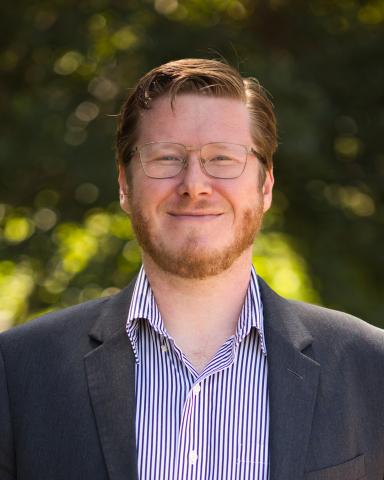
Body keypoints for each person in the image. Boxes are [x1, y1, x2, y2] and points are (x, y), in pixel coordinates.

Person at [0, 58, 383, 480]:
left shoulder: (370, 367)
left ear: (266, 185)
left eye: (223, 157)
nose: (195, 184)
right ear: (125, 185)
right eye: (166, 158)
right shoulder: (18, 372)